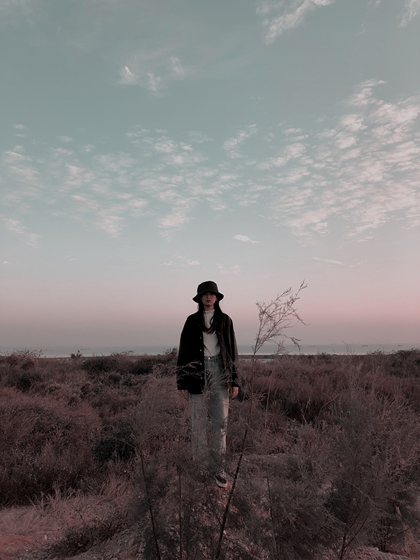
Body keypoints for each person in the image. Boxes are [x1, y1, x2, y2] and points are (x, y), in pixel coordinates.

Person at [177, 281, 239, 488]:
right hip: (197, 372)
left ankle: (219, 469)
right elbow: (183, 350)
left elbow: (232, 351)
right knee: (198, 422)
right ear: (200, 298)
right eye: (205, 294)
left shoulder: (225, 320)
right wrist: (182, 381)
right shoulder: (191, 320)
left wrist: (234, 380)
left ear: (217, 297)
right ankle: (202, 468)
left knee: (220, 422)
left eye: (212, 294)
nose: (209, 297)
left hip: (220, 370)